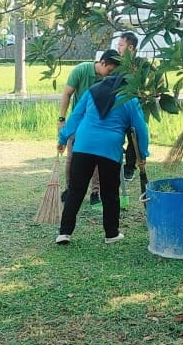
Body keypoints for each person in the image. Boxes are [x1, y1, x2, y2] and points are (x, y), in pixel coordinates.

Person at [56, 74, 149, 245]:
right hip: (110, 148)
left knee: (75, 190)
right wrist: (142, 153)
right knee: (110, 193)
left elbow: (76, 116)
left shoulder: (92, 91)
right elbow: (140, 128)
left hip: (84, 144)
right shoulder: (129, 98)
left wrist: (62, 138)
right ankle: (111, 234)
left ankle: (64, 233)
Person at [58, 49, 121, 205]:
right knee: (72, 158)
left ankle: (95, 192)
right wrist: (62, 119)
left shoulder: (110, 80)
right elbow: (67, 93)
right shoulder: (81, 70)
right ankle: (70, 188)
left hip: (99, 124)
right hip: (79, 121)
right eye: (109, 70)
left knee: (98, 161)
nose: (110, 74)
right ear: (102, 63)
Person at [117, 32, 143, 182]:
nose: (118, 48)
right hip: (120, 108)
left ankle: (130, 168)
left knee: (135, 137)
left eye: (121, 45)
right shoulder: (118, 64)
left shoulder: (142, 65)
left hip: (137, 107)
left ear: (131, 47)